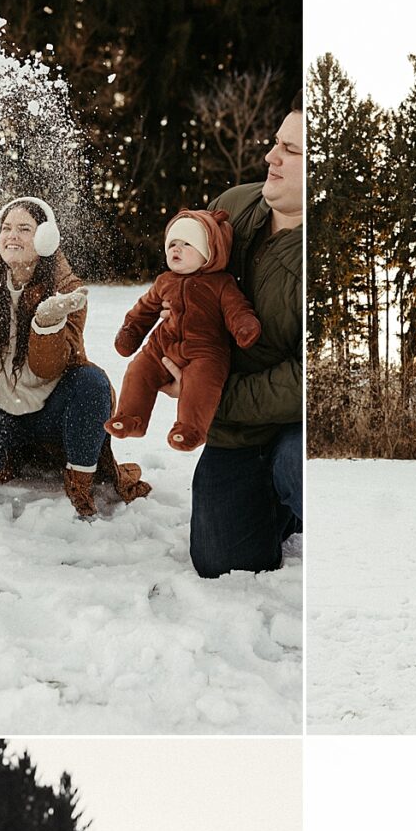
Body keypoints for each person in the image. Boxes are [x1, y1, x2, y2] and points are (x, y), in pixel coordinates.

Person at [0, 196, 151, 518]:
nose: (12, 235)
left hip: (50, 412)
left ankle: (79, 477)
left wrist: (46, 324)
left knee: (92, 382)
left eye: (24, 229)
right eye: (6, 228)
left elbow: (48, 368)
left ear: (45, 238)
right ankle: (12, 454)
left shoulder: (67, 289)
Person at [186, 106, 302, 579]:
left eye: (291, 150)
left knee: (299, 465)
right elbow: (187, 282)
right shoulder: (233, 206)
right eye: (277, 141)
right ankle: (276, 502)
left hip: (296, 420)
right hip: (239, 426)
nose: (271, 156)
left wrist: (216, 398)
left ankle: (292, 489)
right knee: (218, 560)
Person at [104, 207, 261, 451]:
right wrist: (131, 331)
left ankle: (190, 429)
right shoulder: (164, 282)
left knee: (201, 383)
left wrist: (244, 326)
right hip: (163, 345)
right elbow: (144, 309)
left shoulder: (221, 284)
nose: (176, 248)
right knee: (139, 369)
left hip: (205, 351)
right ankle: (130, 418)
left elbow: (236, 308)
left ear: (209, 253)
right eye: (172, 243)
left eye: (187, 243)